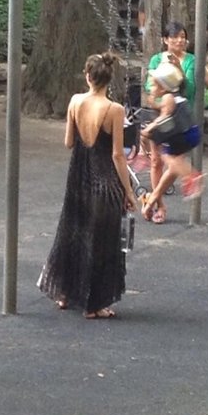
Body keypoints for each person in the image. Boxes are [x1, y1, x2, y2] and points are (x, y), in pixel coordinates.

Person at [37, 52, 137, 319]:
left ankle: (65, 292)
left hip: (78, 179)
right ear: (109, 78)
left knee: (73, 232)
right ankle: (94, 303)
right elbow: (117, 155)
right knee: (102, 241)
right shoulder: (114, 110)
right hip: (104, 181)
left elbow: (69, 142)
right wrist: (128, 191)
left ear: (87, 76)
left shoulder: (75, 101)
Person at [142, 21, 208, 223]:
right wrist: (157, 99)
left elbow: (189, 89)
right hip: (167, 114)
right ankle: (156, 202)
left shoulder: (190, 61)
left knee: (171, 159)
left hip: (177, 119)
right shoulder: (156, 60)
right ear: (165, 40)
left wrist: (177, 74)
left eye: (182, 37)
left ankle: (188, 179)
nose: (179, 40)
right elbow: (150, 89)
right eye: (174, 36)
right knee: (159, 161)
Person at [141, 61, 204, 220]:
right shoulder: (173, 95)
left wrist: (150, 128)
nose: (151, 88)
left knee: (168, 158)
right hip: (188, 132)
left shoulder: (168, 97)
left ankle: (191, 176)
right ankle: (155, 201)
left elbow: (166, 115)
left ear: (163, 87)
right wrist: (155, 104)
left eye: (154, 85)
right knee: (168, 158)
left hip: (183, 134)